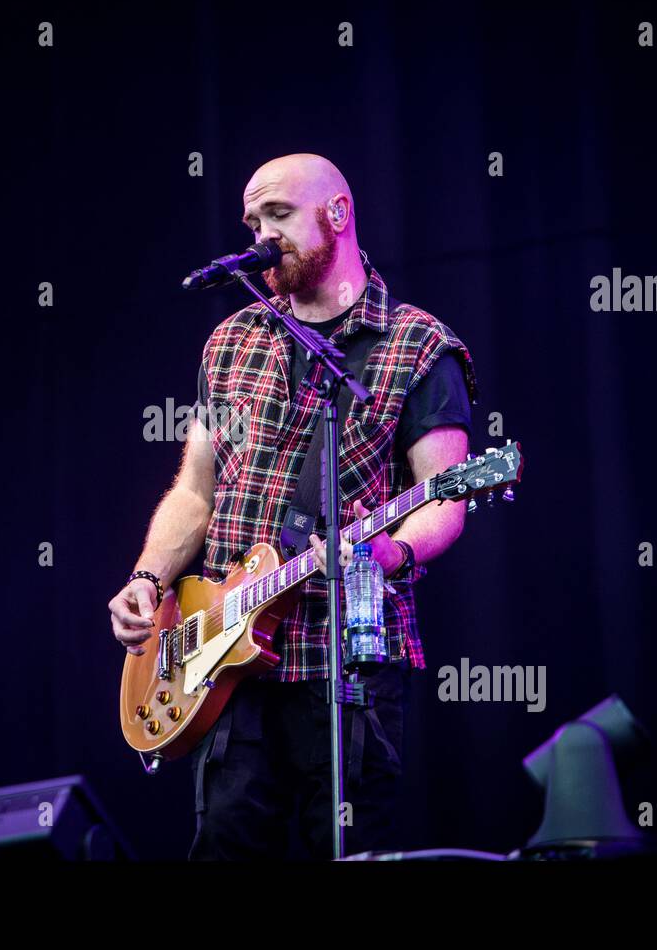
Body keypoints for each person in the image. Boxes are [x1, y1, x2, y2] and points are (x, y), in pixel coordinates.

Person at [107, 153, 479, 859]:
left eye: (277, 215)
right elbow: (195, 491)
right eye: (251, 221)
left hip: (344, 666)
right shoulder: (233, 341)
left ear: (336, 214)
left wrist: (388, 548)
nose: (260, 235)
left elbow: (446, 499)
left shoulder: (419, 346)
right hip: (226, 664)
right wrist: (148, 579)